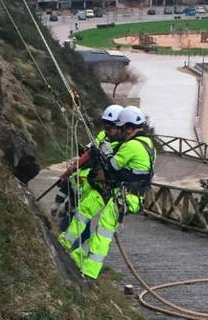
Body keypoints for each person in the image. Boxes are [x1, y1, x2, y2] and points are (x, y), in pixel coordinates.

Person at [60, 106, 156, 279]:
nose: (121, 132)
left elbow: (113, 168)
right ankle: (75, 254)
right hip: (130, 195)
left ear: (128, 127)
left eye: (122, 128)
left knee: (103, 232)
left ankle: (89, 269)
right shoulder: (148, 144)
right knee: (98, 227)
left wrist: (108, 153)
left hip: (126, 196)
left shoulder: (132, 145)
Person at [50, 105, 123, 232]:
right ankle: (62, 213)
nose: (106, 130)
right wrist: (85, 151)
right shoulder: (103, 135)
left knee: (81, 214)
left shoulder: (122, 145)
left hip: (101, 186)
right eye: (105, 125)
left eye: (109, 127)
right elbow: (88, 154)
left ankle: (65, 222)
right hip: (91, 177)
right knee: (72, 185)